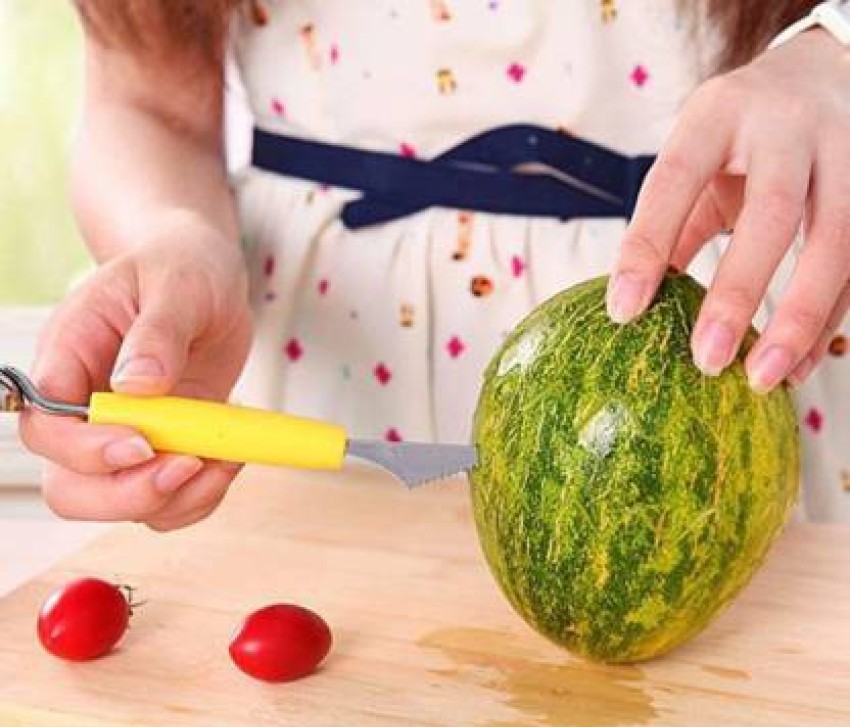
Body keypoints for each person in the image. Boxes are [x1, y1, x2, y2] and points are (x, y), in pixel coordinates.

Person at [21, 0, 850, 530]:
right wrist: (172, 236)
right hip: (317, 363)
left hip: (729, 355)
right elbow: (143, 100)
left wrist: (836, 55)